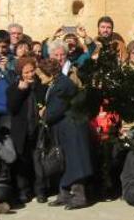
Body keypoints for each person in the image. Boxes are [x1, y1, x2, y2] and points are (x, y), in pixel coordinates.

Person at [36, 58, 94, 210]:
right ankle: (65, 193)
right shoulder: (57, 83)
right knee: (66, 161)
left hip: (72, 129)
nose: (39, 77)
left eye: (41, 74)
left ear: (50, 74)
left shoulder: (62, 85)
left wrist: (44, 113)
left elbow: (55, 110)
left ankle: (79, 196)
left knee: (75, 161)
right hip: (66, 129)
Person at [7, 56, 43, 203]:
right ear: (20, 73)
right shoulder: (14, 88)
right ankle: (23, 191)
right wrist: (21, 91)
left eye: (32, 71)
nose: (30, 75)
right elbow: (12, 108)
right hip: (21, 131)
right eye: (26, 72)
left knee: (37, 162)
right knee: (22, 162)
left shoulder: (39, 85)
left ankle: (40, 191)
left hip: (37, 129)